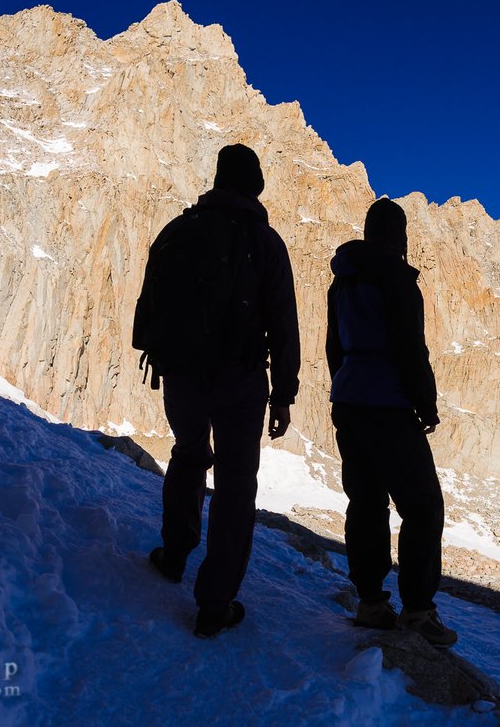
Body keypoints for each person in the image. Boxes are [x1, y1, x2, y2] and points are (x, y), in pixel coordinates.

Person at [134, 143, 299, 638]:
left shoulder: (178, 229)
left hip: (180, 372)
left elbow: (150, 302)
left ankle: (173, 554)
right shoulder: (266, 243)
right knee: (234, 483)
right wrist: (284, 394)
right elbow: (284, 327)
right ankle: (214, 602)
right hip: (240, 380)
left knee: (187, 453)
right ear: (256, 186)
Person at [325, 198, 457, 648]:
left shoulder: (341, 282)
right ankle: (418, 611)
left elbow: (333, 349)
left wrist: (344, 387)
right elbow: (409, 348)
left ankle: (370, 604)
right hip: (388, 404)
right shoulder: (397, 280)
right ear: (399, 236)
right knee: (422, 507)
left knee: (365, 503)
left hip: (349, 400)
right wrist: (427, 405)